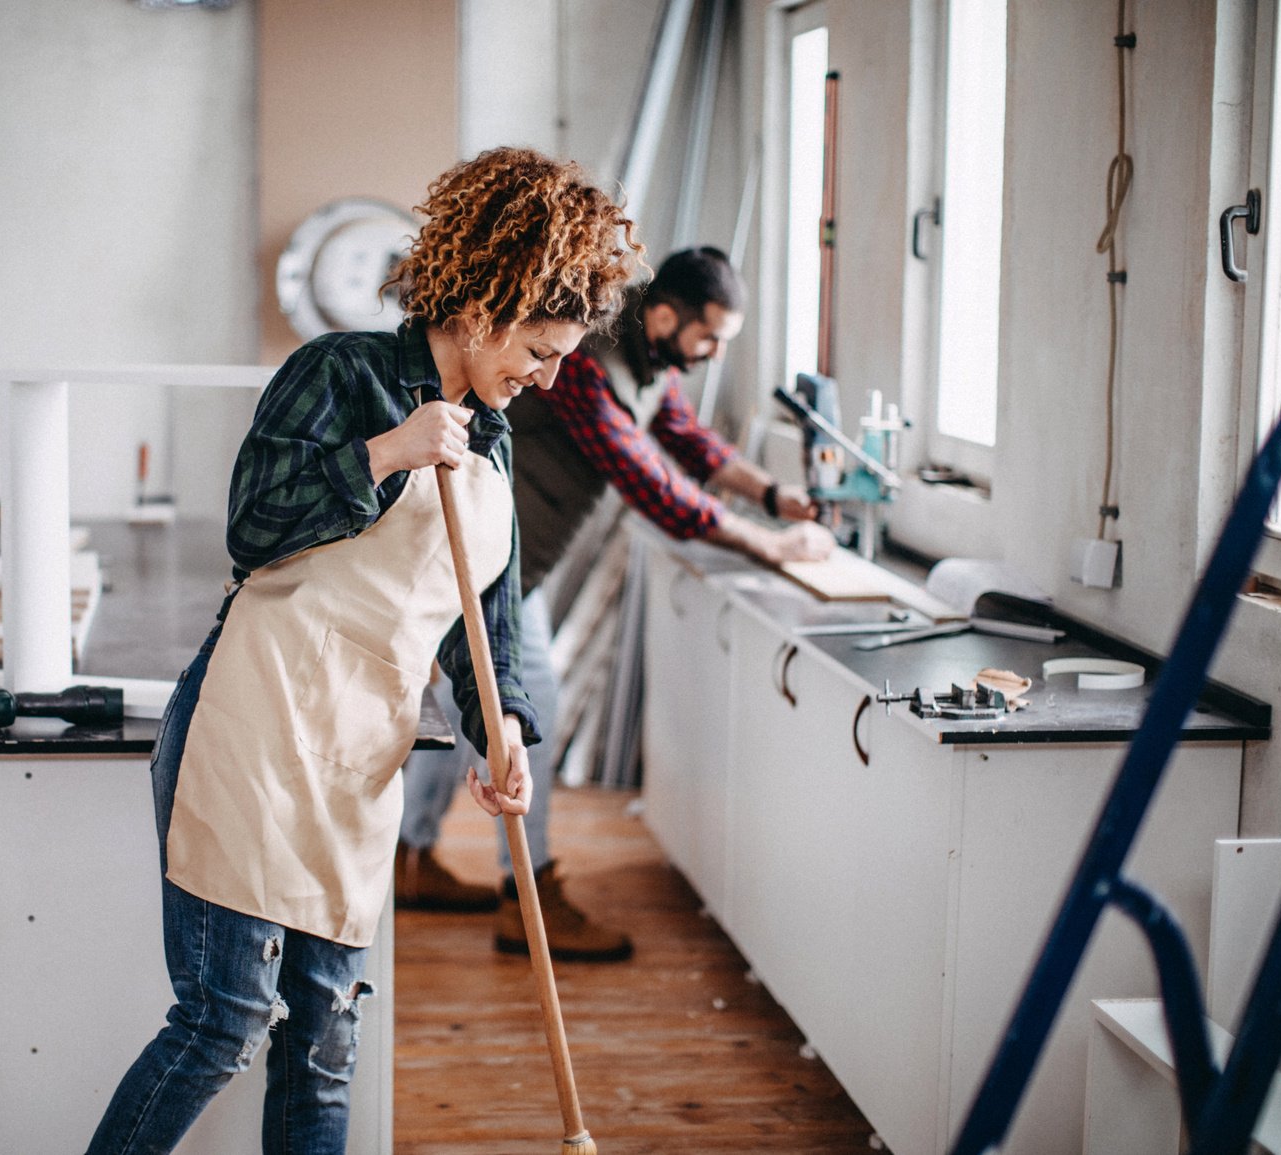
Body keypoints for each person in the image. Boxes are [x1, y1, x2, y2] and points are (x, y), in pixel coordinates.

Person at [85, 147, 641, 1155]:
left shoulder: (497, 439)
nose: (547, 377)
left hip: (357, 757)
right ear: (480, 313)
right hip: (253, 727)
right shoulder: (337, 374)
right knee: (225, 1022)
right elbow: (253, 527)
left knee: (326, 1033)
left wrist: (503, 729)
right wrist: (386, 451)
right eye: (540, 349)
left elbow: (490, 623)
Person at [395, 246, 834, 963]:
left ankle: (411, 860)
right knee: (527, 710)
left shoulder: (649, 364)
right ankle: (527, 900)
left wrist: (774, 496)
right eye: (710, 336)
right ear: (665, 315)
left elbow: (685, 439)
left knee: (469, 709)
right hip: (485, 559)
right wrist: (772, 546)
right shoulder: (588, 360)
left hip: (511, 564)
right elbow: (646, 478)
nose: (714, 351)